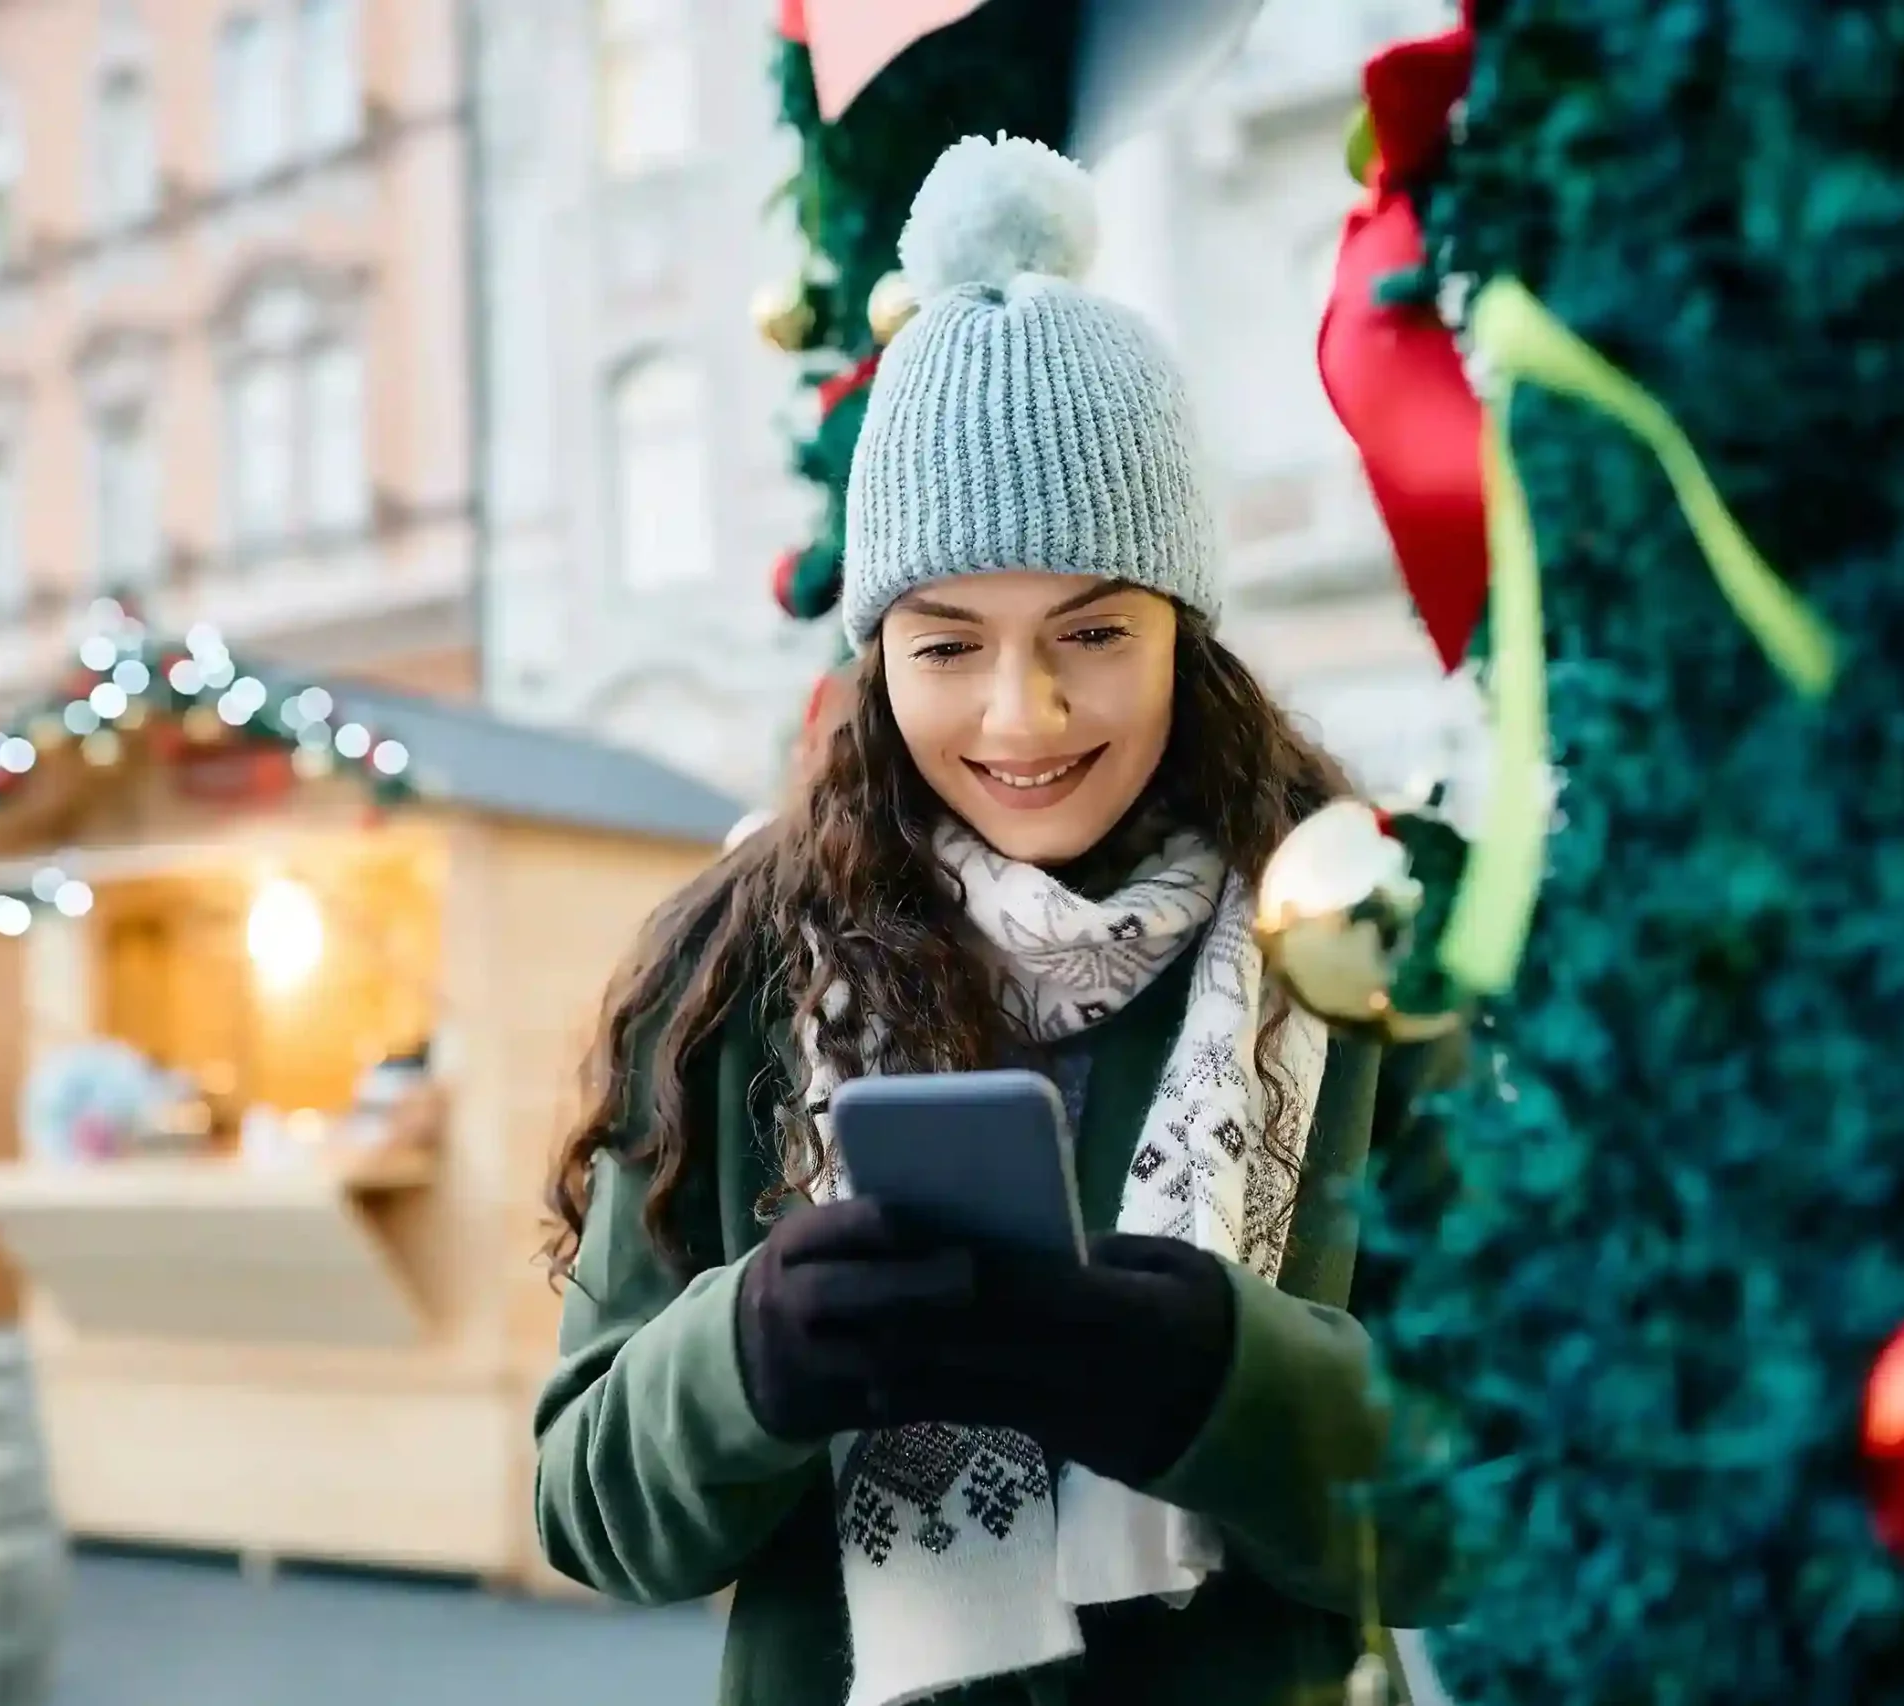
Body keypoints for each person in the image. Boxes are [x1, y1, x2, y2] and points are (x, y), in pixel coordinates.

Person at [534, 135, 1464, 1706]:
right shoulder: (738, 965)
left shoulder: (1363, 940)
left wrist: (1222, 1380)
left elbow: (1497, 1490)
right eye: (949, 643)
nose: (1020, 713)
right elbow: (586, 1504)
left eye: (1092, 631)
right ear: (879, 646)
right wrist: (749, 1354)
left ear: (1186, 629)